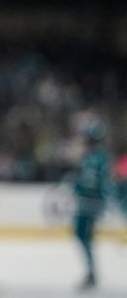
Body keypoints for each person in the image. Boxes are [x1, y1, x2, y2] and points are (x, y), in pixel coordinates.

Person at [70, 118, 112, 291]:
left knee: (84, 236)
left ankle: (91, 273)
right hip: (87, 203)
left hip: (91, 204)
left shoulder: (97, 158)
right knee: (83, 237)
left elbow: (96, 181)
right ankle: (90, 272)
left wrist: (79, 186)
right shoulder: (93, 157)